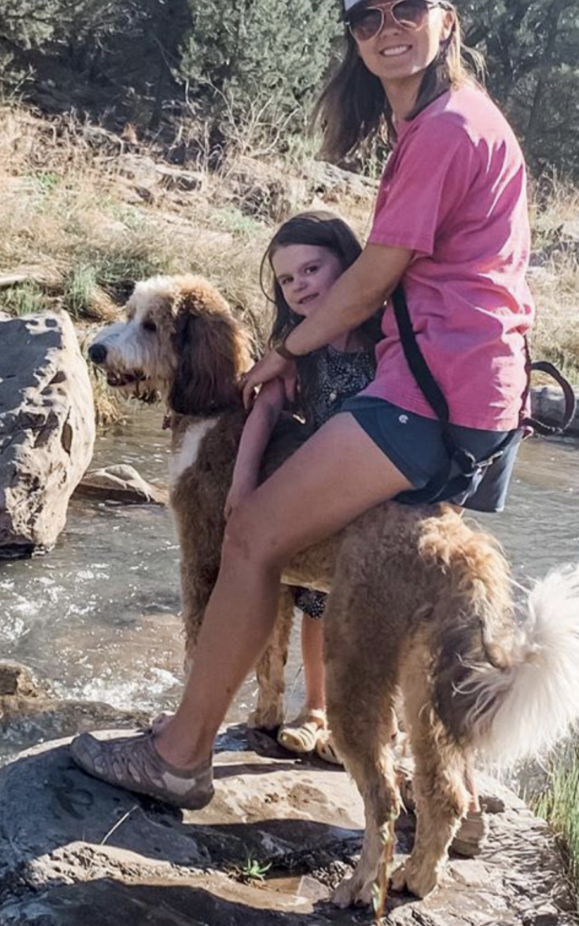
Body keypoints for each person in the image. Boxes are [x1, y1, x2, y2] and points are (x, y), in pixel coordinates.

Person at [71, 0, 533, 857]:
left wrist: (279, 354)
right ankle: (459, 798)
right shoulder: (447, 122)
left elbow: (368, 283)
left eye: (408, 10)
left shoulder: (446, 127)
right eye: (369, 18)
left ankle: (179, 753)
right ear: (353, 37)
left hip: (429, 396)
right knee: (407, 581)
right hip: (473, 394)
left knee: (250, 532)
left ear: (447, 18)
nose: (390, 30)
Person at [224, 211, 380, 761]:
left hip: (383, 492)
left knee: (371, 615)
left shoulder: (384, 330)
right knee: (317, 604)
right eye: (288, 280)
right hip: (327, 489)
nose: (300, 286)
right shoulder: (294, 345)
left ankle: (365, 723)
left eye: (313, 268)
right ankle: (314, 708)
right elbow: (264, 408)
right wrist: (242, 487)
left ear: (352, 265)